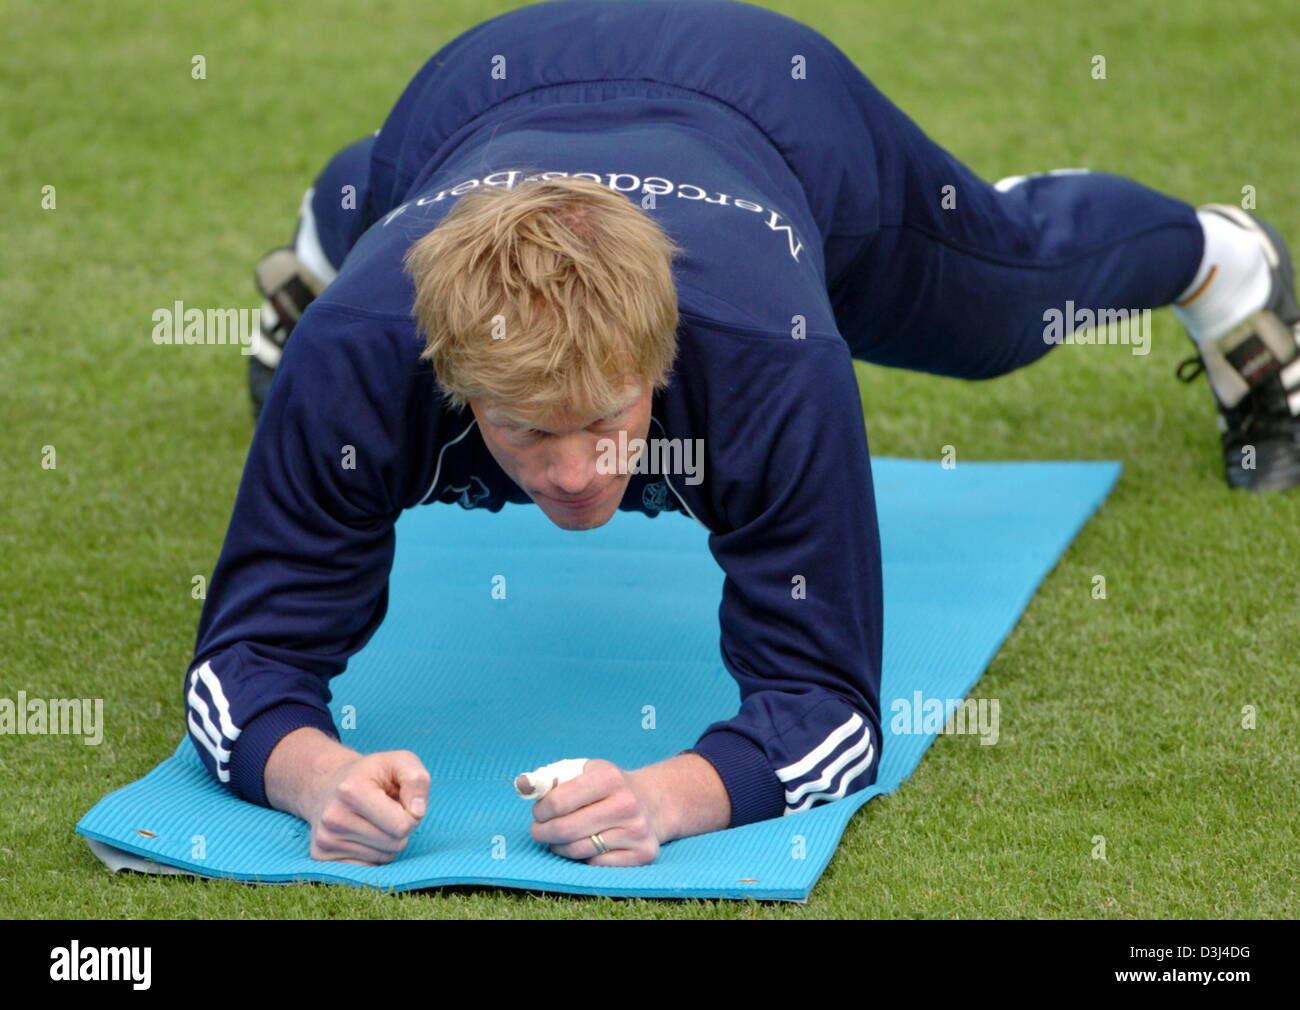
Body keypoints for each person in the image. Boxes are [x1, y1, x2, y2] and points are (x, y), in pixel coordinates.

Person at [187, 0, 1300, 868]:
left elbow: (830, 708)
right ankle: (353, 209)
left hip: (768, 100)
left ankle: (1220, 259)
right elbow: (239, 663)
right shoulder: (353, 354)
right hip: (474, 95)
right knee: (384, 229)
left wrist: (667, 795)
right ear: (447, 373)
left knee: (1002, 304)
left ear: (664, 360)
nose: (576, 478)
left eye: (608, 420)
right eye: (526, 431)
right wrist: (313, 773)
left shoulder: (769, 354)